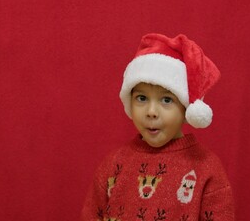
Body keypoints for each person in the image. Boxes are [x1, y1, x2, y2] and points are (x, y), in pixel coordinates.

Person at [81, 33, 234, 220]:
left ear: (186, 108)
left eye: (166, 100)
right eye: (142, 98)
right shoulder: (114, 165)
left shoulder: (206, 168)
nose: (151, 111)